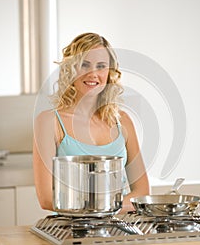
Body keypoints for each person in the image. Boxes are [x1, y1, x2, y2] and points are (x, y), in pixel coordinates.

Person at [33, 32, 150, 213]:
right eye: (84, 65)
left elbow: (142, 191)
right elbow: (47, 198)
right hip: (72, 230)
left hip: (121, 230)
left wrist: (105, 211)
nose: (93, 74)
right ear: (71, 69)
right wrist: (104, 209)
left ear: (109, 72)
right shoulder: (49, 122)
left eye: (101, 66)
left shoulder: (123, 121)